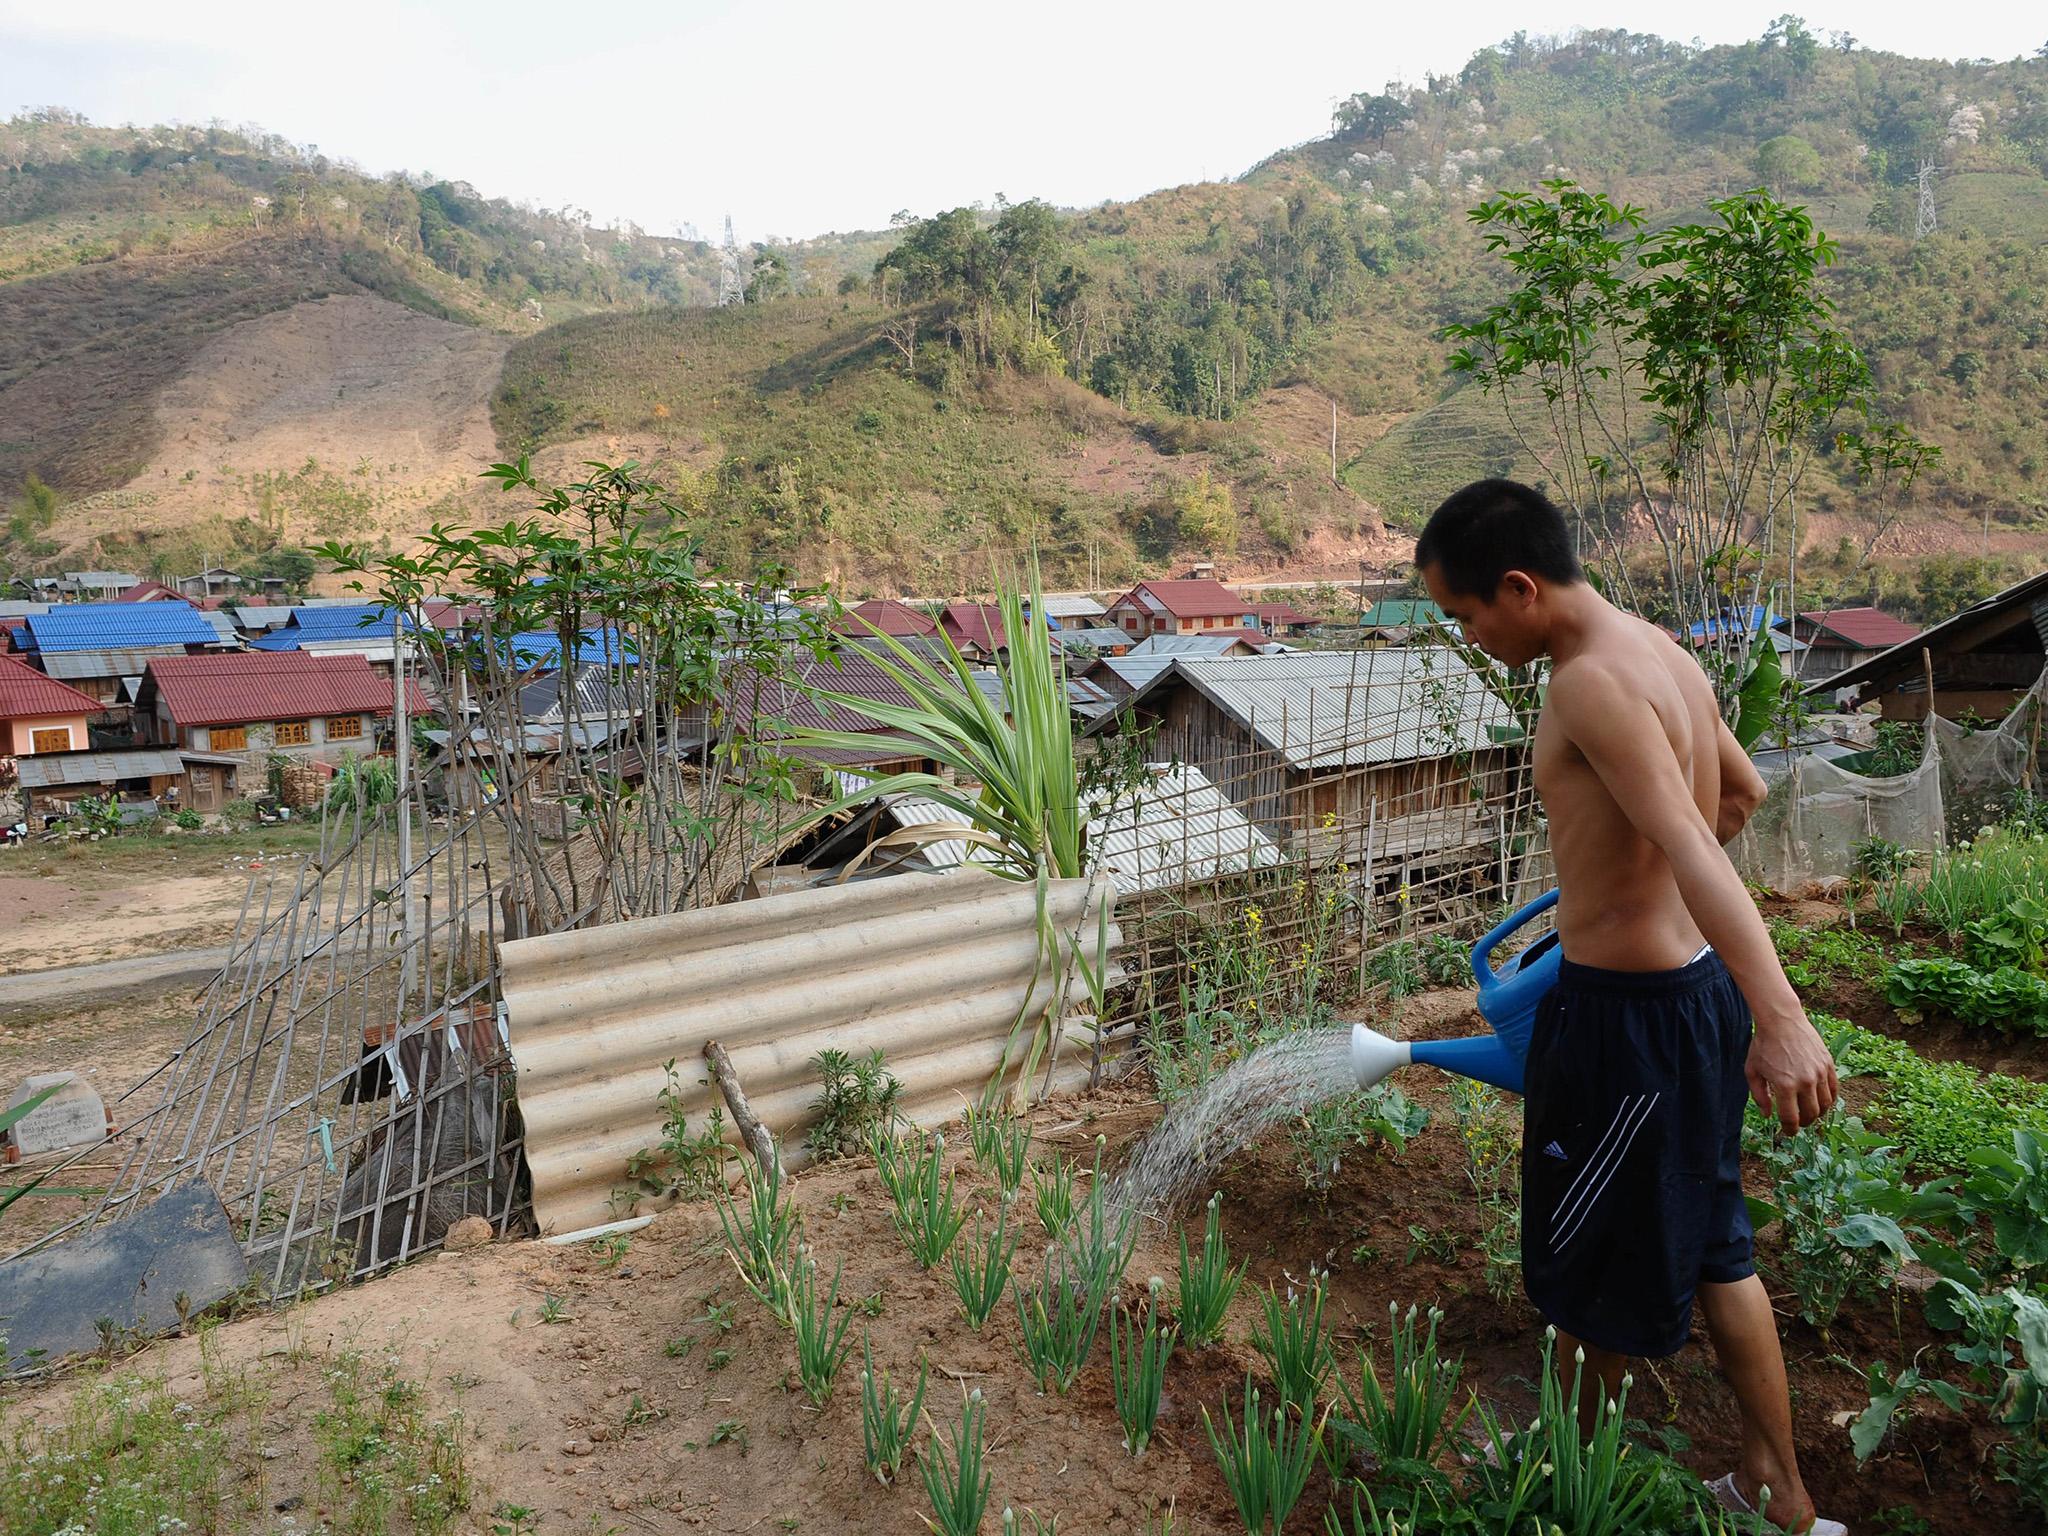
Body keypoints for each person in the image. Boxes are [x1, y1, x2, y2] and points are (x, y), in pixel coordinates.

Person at [1415, 480, 1842, 1536]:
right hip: (1687, 1002)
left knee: (1588, 1253)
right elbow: (1736, 794)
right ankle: (1776, 1493)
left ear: (1517, 589)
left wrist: (1781, 1011)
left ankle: (1564, 1483)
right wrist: (1646, 903)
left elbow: (1696, 841)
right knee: (1711, 1246)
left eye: (1465, 617)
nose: (1469, 639)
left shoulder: (1586, 683)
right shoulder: (1662, 652)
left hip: (1624, 1024)